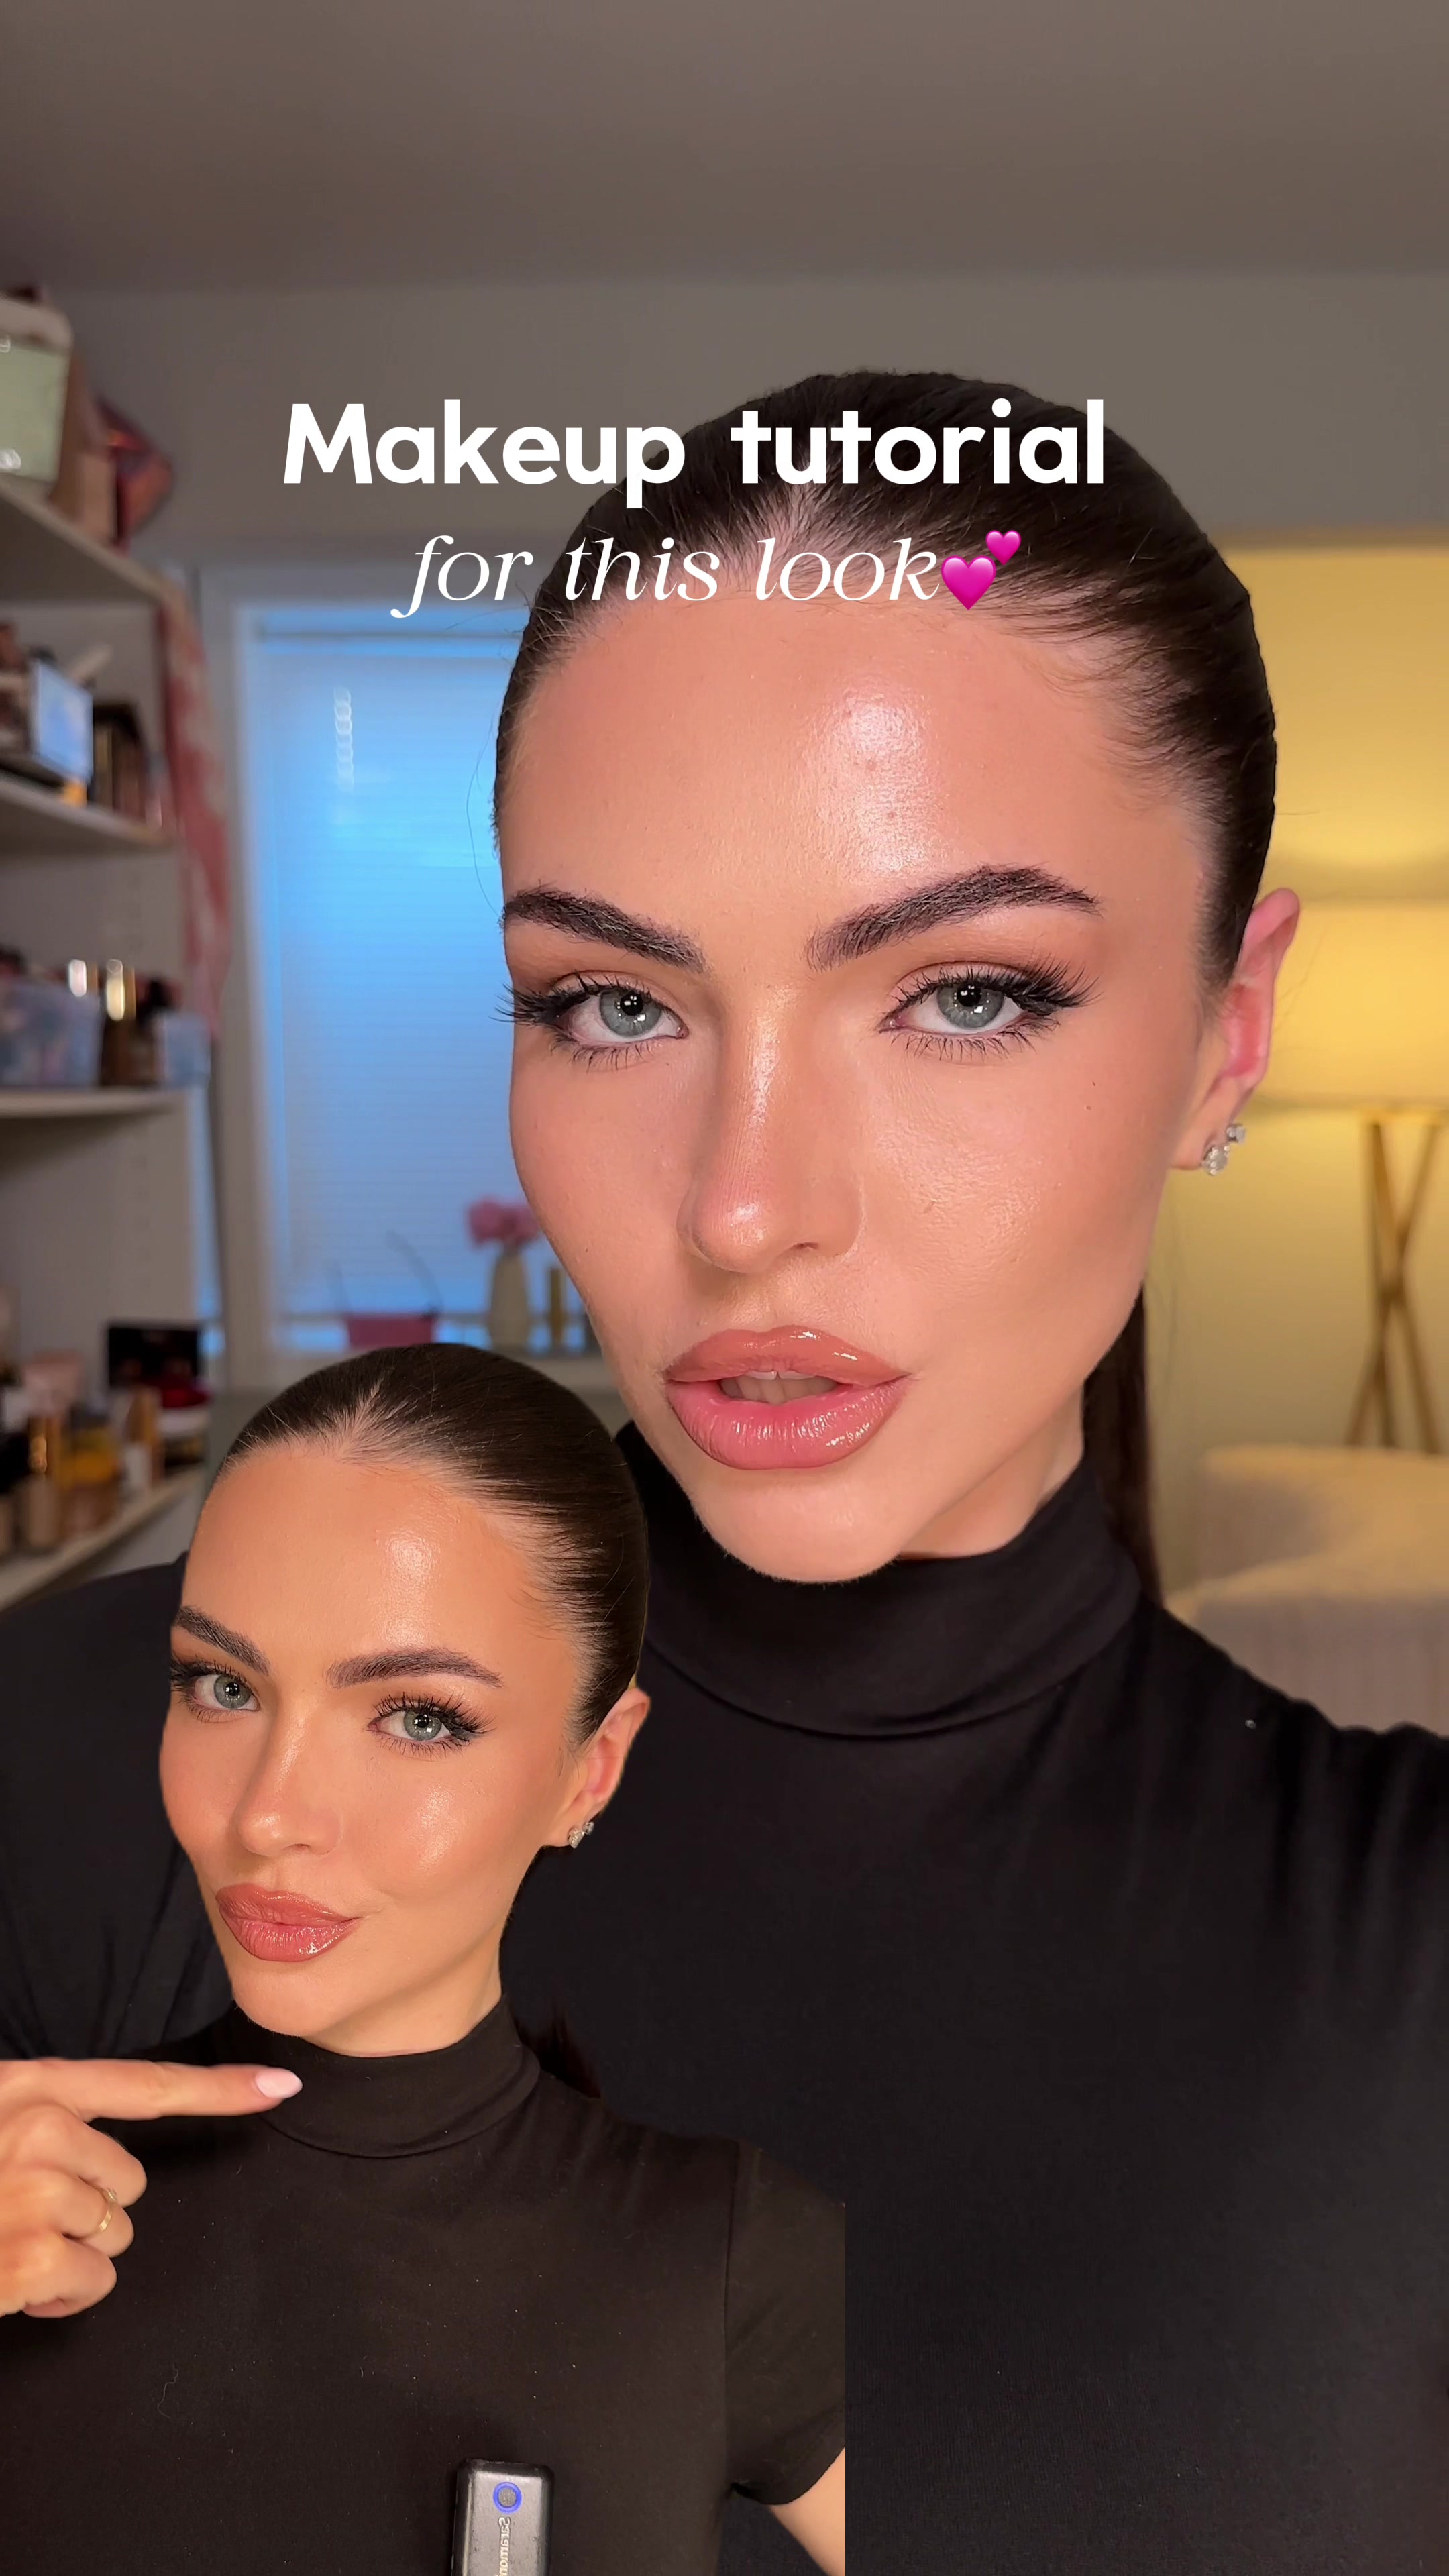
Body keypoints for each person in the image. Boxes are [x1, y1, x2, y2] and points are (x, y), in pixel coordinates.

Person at [4, 368, 1449, 2571]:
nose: (745, 1206)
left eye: (968, 994)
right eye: (613, 1006)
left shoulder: (1401, 1969)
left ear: (1224, 1040)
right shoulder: (117, 1768)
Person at [0, 1348, 845, 2576]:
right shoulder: (30, 2206)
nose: (268, 1815)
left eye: (417, 1718)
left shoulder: (726, 2260)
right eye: (222, 1687)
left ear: (591, 1769)